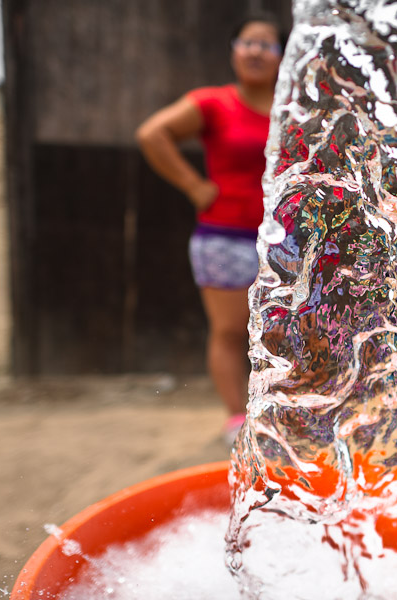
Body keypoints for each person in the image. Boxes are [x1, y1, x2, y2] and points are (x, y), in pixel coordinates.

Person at [136, 14, 285, 442]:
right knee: (229, 331)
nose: (256, 52)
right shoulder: (213, 102)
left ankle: (282, 415)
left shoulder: (293, 110)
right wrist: (193, 186)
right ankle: (238, 421)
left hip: (282, 241)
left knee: (284, 332)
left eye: (267, 46)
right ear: (234, 50)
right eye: (247, 43)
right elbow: (152, 134)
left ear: (282, 58)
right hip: (224, 237)